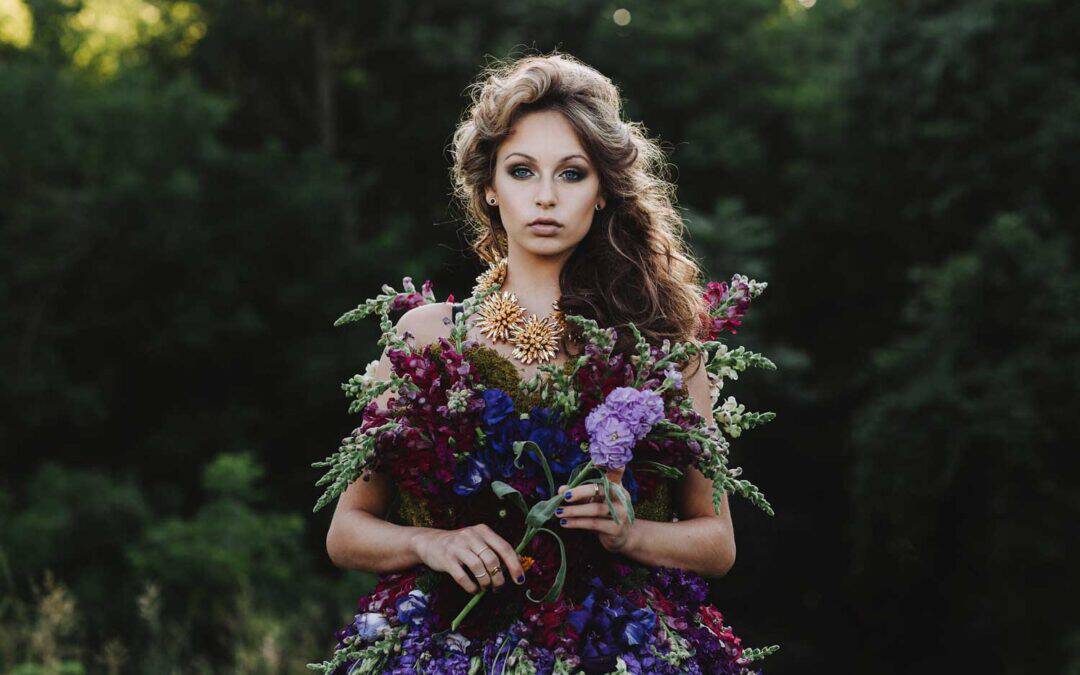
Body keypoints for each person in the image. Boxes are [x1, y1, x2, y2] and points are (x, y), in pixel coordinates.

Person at [320, 52, 756, 674]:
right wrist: (431, 541)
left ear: (604, 192)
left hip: (619, 651)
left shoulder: (659, 344)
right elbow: (346, 530)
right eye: (523, 171)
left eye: (572, 174)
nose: (546, 198)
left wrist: (628, 533)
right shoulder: (427, 339)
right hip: (444, 647)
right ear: (490, 188)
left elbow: (716, 543)